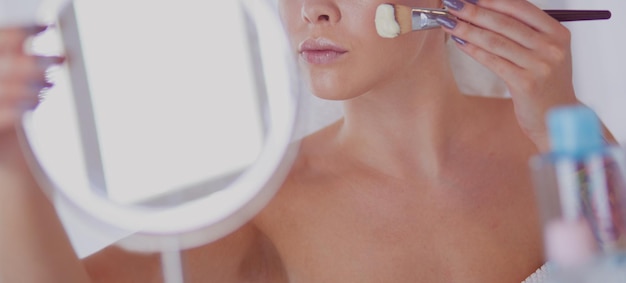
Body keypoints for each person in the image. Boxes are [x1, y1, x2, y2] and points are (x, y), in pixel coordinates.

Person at [0, 0, 617, 282]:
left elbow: (611, 261)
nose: (310, 11)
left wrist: (556, 118)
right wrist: (7, 157)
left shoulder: (560, 140)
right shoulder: (265, 203)